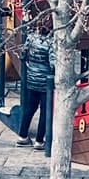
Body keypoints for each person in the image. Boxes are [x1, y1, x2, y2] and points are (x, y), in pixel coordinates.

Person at [16, 20, 53, 149]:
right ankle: (39, 140)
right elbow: (53, 63)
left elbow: (23, 55)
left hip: (32, 79)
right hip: (45, 82)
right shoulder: (52, 42)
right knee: (45, 111)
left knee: (30, 108)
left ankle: (22, 136)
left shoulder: (31, 38)